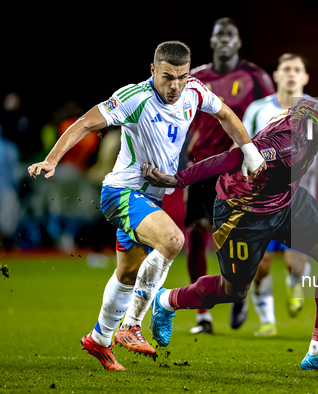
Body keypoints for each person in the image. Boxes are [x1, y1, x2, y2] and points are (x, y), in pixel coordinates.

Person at [27, 41, 266, 371]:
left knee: (127, 275)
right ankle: (131, 326)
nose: (175, 86)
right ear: (153, 71)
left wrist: (250, 152)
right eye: (168, 77)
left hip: (149, 198)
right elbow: (84, 122)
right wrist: (52, 160)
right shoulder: (134, 97)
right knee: (173, 240)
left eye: (182, 77)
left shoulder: (194, 91)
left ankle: (99, 339)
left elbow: (226, 114)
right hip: (121, 193)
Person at [145, 94, 318, 371]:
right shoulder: (287, 143)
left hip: (286, 200)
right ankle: (167, 300)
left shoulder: (314, 111)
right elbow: (233, 158)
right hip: (243, 211)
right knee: (233, 290)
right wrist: (179, 179)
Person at [184, 17, 275, 335]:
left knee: (238, 240)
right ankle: (202, 315)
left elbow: (270, 118)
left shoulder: (256, 77)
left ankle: (238, 292)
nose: (223, 39)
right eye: (218, 34)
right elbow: (180, 121)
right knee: (198, 234)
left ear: (238, 42)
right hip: (203, 166)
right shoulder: (195, 78)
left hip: (240, 170)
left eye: (230, 34)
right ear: (211, 41)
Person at [242, 53, 313, 336]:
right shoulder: (258, 110)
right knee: (262, 265)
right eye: (287, 69)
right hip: (261, 198)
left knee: (296, 262)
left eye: (298, 69)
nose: (292, 74)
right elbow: (242, 145)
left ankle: (296, 283)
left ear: (305, 77)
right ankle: (267, 320)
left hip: (299, 198)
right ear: (276, 75)